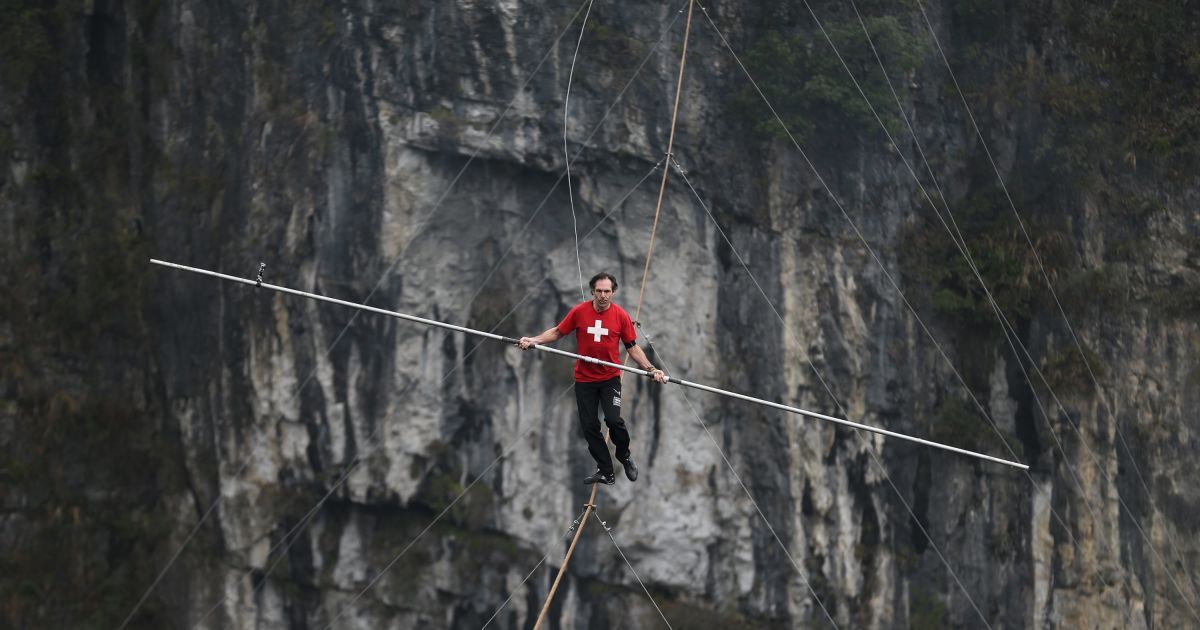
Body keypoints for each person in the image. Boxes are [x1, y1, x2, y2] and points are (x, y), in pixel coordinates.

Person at [518, 272, 667, 485]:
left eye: (607, 291)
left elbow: (632, 348)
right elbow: (559, 332)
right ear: (592, 291)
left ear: (613, 292)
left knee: (613, 420)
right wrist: (534, 340)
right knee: (589, 426)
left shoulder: (621, 316)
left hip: (609, 379)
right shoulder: (580, 312)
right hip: (585, 380)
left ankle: (624, 456)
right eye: (599, 291)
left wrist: (652, 369)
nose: (603, 295)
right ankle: (606, 470)